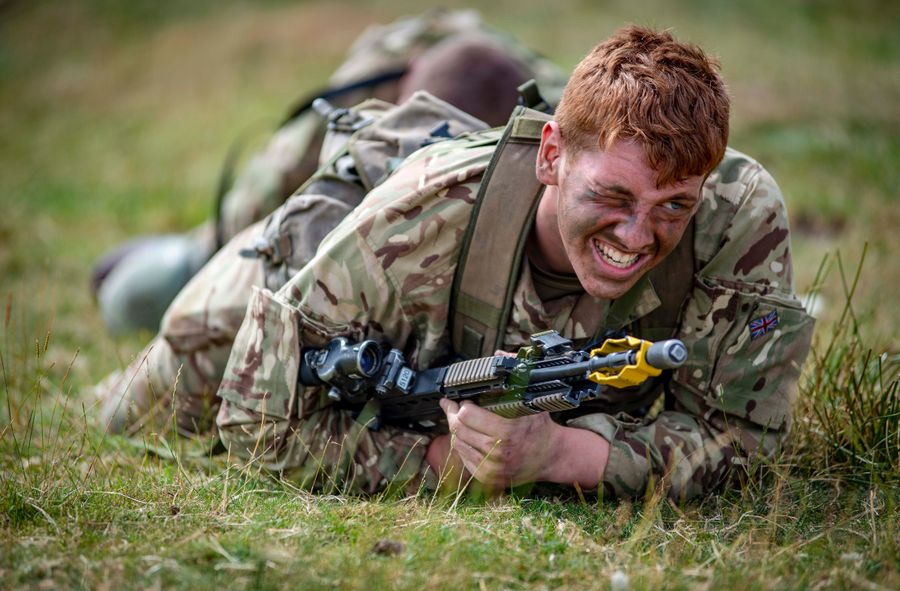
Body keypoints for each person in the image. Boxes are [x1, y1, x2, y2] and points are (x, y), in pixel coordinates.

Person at [97, 25, 815, 500]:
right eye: (614, 196)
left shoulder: (733, 217)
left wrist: (563, 457)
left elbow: (744, 437)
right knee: (142, 388)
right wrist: (442, 463)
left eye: (671, 208)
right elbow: (257, 419)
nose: (637, 236)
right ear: (553, 155)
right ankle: (184, 252)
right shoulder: (414, 219)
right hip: (318, 242)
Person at [91, 9, 566, 334]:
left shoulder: (560, 136)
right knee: (150, 287)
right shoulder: (362, 104)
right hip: (388, 87)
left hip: (501, 96)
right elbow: (264, 215)